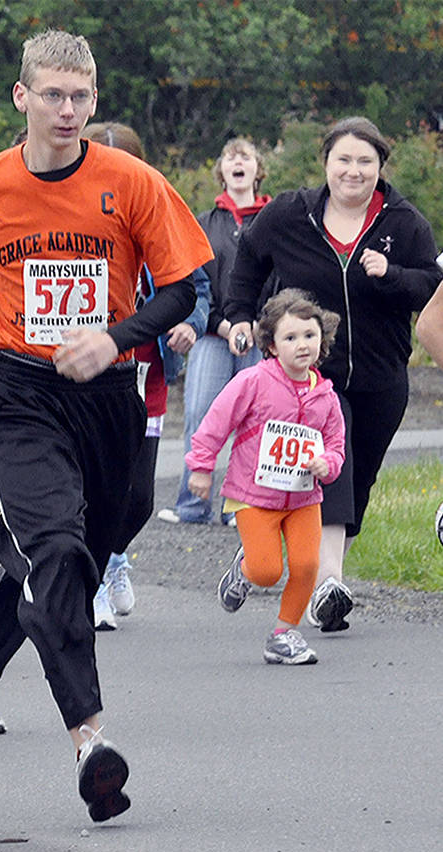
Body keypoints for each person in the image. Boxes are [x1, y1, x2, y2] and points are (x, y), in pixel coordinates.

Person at [0, 30, 212, 821]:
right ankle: (91, 740)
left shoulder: (131, 182)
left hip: (108, 393)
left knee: (98, 541)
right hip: (22, 394)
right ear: (23, 97)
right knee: (57, 555)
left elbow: (183, 287)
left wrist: (116, 336)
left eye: (82, 96)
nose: (69, 110)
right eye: (54, 95)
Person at [225, 116, 443, 632]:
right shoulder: (289, 214)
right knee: (329, 469)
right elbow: (249, 260)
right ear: (326, 163)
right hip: (309, 375)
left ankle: (276, 559)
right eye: (343, 159)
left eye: (365, 161)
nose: (353, 171)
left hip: (381, 373)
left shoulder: (403, 223)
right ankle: (328, 584)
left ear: (379, 168)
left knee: (358, 477)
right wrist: (238, 315)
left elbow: (430, 288)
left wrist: (390, 275)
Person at [79, 122, 210, 631]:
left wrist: (188, 324)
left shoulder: (158, 213)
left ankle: (114, 557)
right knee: (93, 490)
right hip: (85, 379)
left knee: (137, 500)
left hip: (145, 377)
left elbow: (196, 285)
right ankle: (87, 586)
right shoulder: (70, 218)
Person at [190, 289, 346, 664]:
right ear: (272, 345)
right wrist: (201, 465)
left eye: (310, 336)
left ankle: (283, 635)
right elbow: (216, 421)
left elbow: (336, 445)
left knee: (307, 565)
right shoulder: (254, 382)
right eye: (290, 338)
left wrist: (328, 463)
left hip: (304, 497)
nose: (302, 345)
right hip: (253, 495)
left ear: (322, 340)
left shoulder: (326, 396)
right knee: (266, 570)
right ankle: (243, 571)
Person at [158, 137, 271, 527]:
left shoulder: (276, 221)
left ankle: (241, 507)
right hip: (212, 334)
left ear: (258, 170)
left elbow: (281, 280)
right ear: (221, 171)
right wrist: (222, 325)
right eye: (230, 158)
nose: (238, 163)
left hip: (263, 335)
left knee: (255, 421)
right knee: (199, 414)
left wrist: (259, 326)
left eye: (246, 157)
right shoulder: (202, 223)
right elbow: (194, 284)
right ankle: (192, 505)